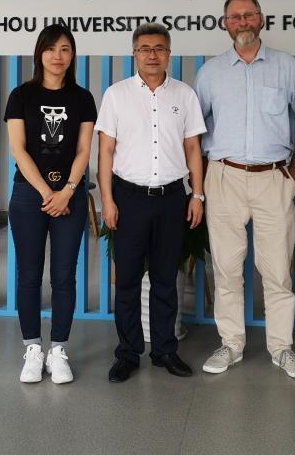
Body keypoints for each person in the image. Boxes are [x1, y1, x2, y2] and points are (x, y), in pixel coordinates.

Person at [194, 0, 295, 379]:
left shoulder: (285, 66)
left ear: (261, 19)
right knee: (227, 268)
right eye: (235, 17)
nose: (242, 22)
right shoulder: (211, 72)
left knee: (277, 270)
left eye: (249, 15)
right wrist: (202, 180)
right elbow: (194, 129)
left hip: (273, 178)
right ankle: (231, 344)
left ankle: (282, 348)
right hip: (224, 177)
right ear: (225, 24)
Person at [96, 23, 206, 383]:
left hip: (172, 199)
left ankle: (164, 351)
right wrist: (107, 200)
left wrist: (197, 194)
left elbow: (193, 148)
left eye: (159, 48)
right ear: (134, 54)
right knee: (127, 280)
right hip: (128, 199)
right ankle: (128, 353)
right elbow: (106, 151)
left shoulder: (184, 95)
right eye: (145, 49)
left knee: (165, 278)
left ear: (169, 54)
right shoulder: (117, 95)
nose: (152, 55)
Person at [4, 25, 96, 384]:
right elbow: (19, 150)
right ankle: (32, 349)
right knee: (28, 275)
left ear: (72, 56)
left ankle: (58, 351)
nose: (58, 56)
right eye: (51, 49)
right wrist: (47, 193)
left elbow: (84, 150)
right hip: (30, 196)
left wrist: (68, 190)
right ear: (39, 53)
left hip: (70, 195)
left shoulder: (83, 98)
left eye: (65, 49)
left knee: (63, 276)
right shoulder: (21, 96)